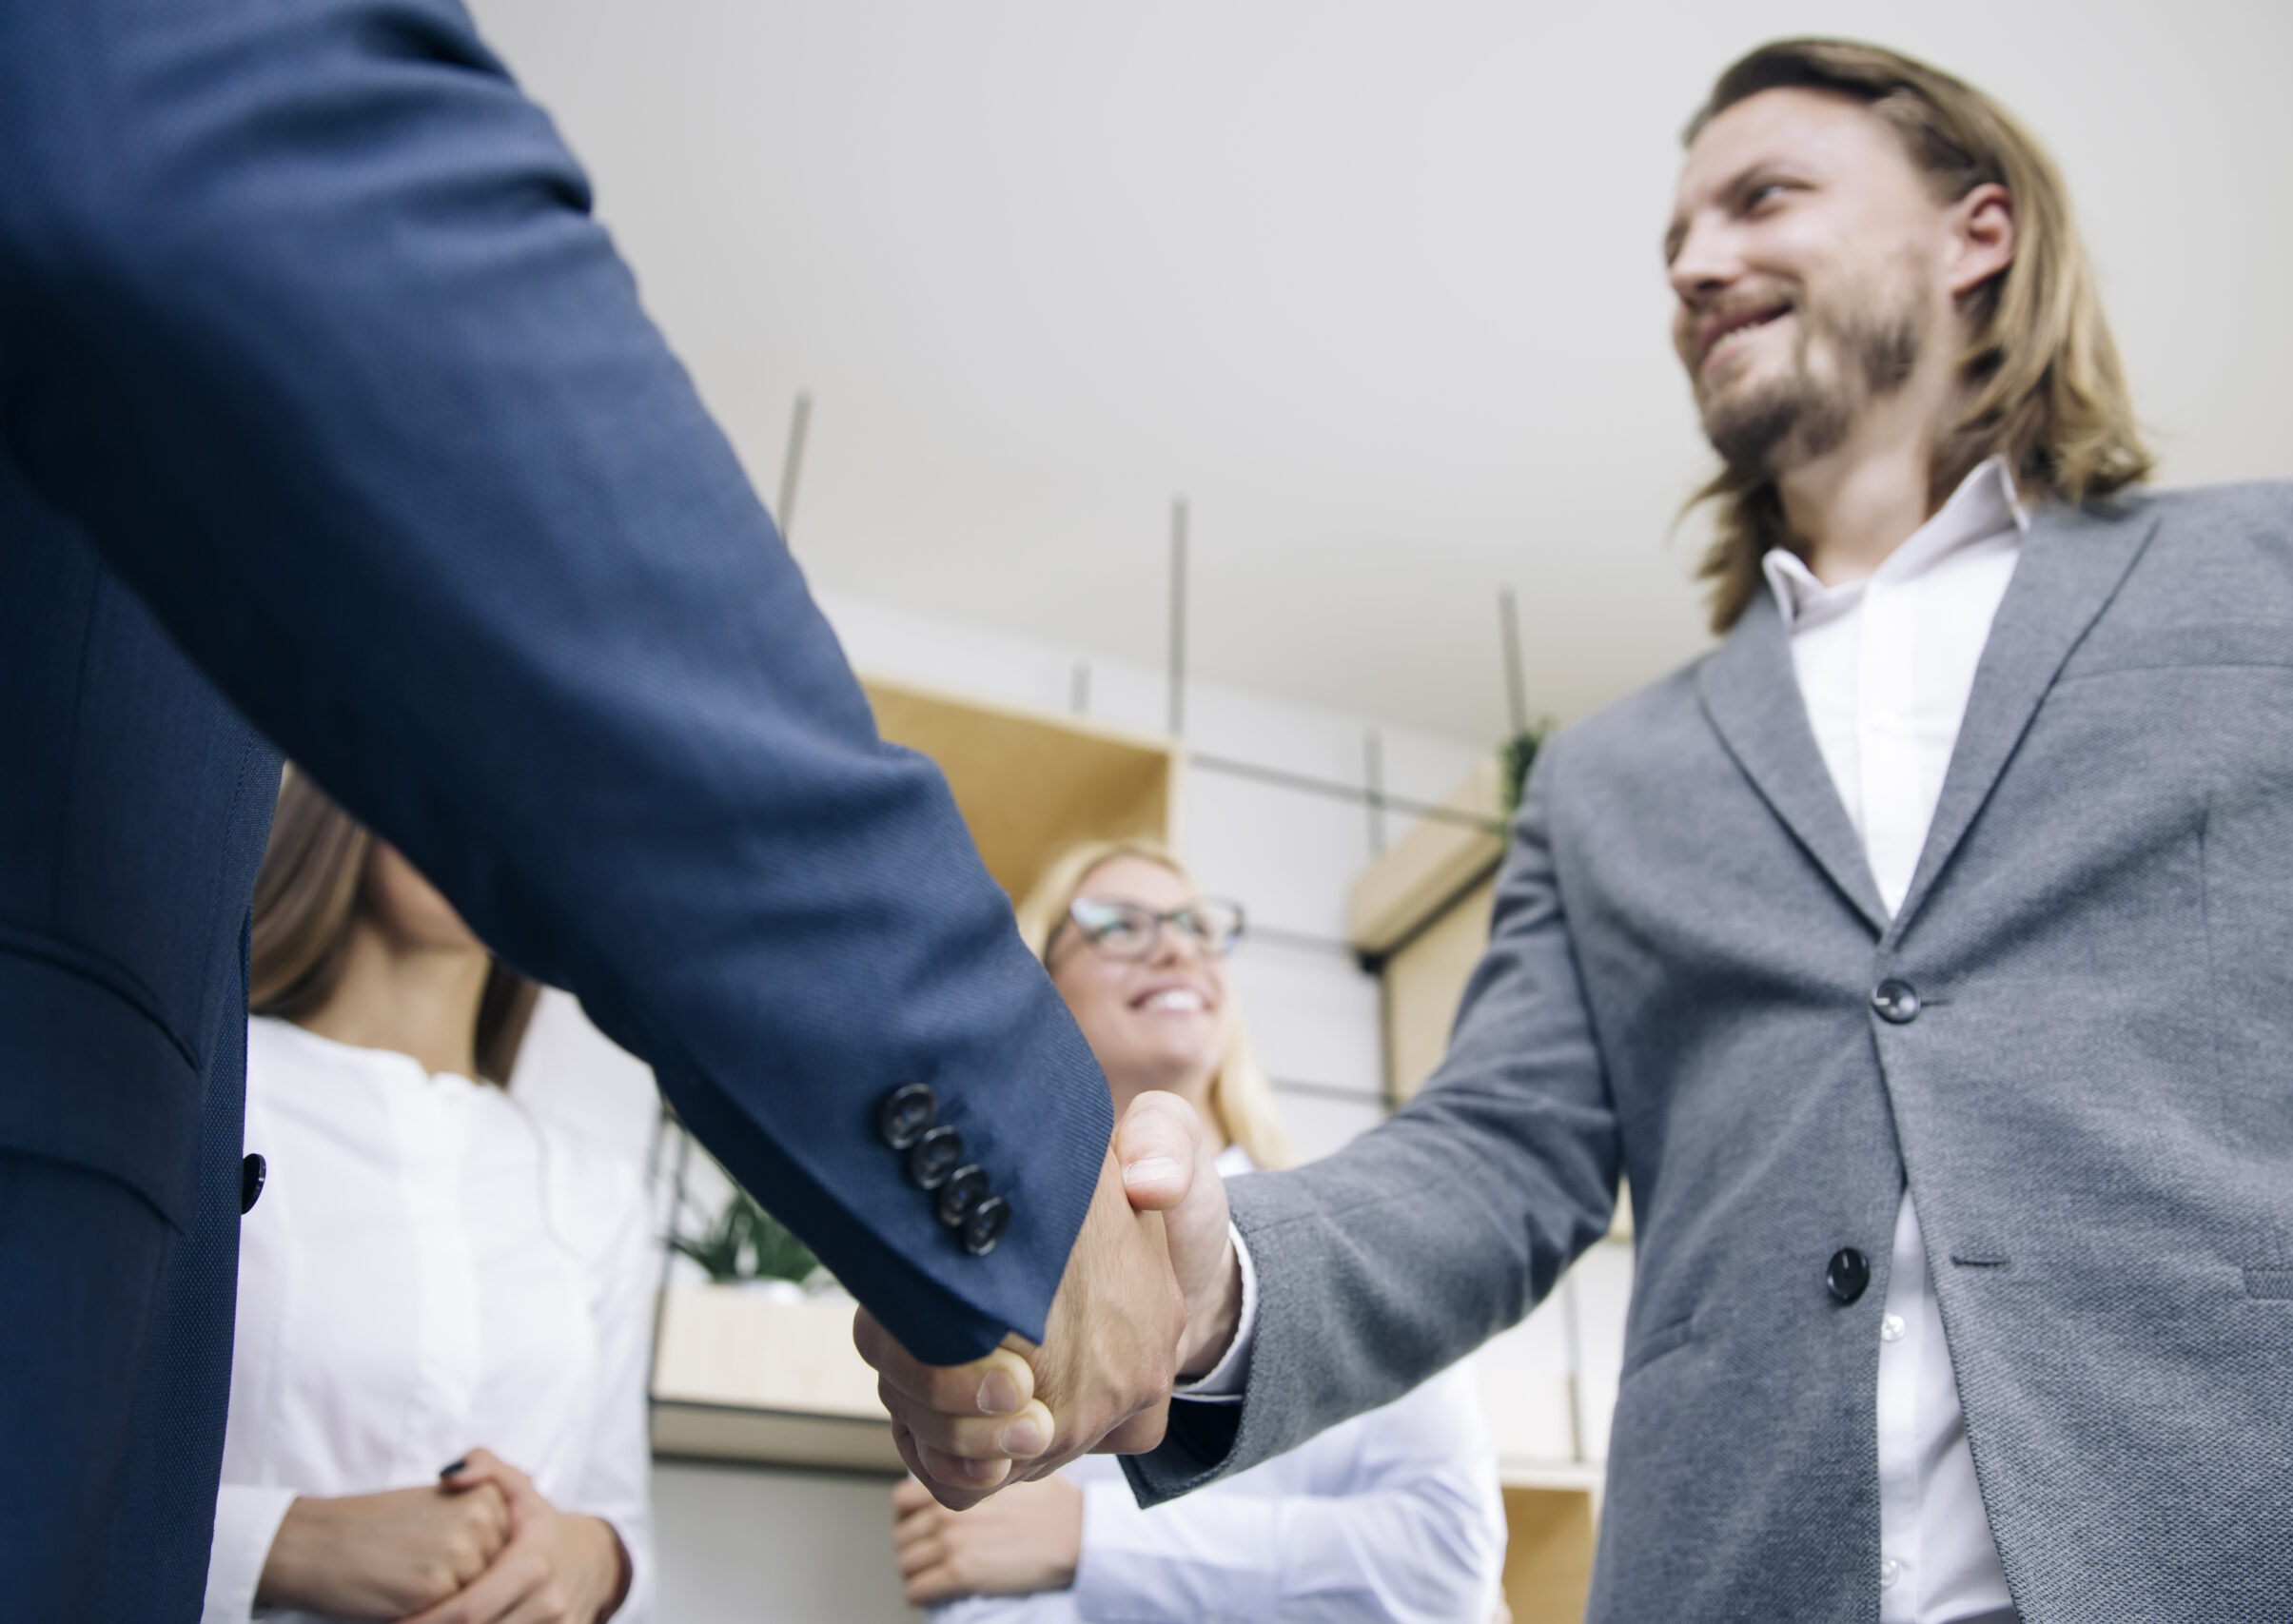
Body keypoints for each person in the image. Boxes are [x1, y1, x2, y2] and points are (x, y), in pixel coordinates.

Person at [869, 37, 2293, 1622]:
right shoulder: (1608, 777)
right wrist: (1215, 1286)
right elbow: (1494, 1160)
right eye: (1677, 242)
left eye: (1764, 198)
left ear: (1980, 232)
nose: (1696, 263)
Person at [0, 5, 1188, 1615]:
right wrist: (1017, 1164)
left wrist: (587, 1560)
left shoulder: (577, 1178)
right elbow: (248, 179)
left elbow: (612, 1511)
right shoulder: (239, 1073)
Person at [893, 842, 1505, 1624]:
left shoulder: (1358, 1237)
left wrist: (1091, 1539)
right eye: (1117, 925)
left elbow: (1445, 1566)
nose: (1176, 945)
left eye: (1196, 925)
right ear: (1040, 983)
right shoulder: (987, 1266)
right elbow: (970, 1569)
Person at [203, 773, 654, 1624]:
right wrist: (279, 1543)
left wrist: (595, 1558)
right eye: (452, 761)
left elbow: (621, 1520)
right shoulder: (208, 1095)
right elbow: (58, 1448)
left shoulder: (593, 1188)